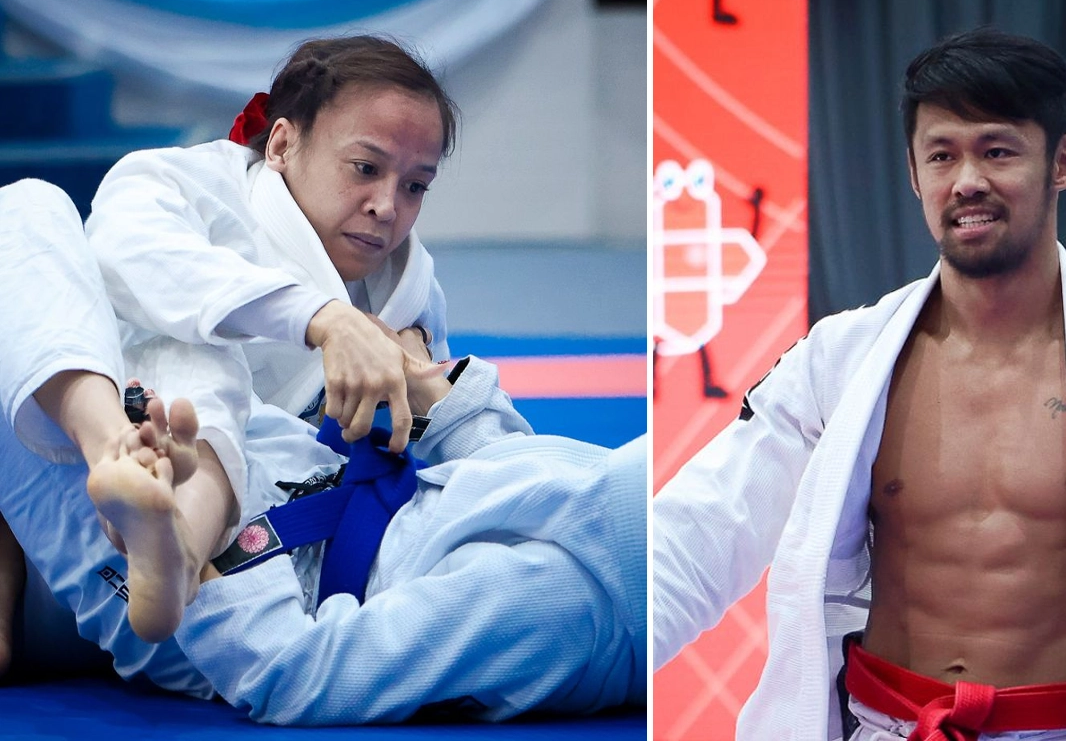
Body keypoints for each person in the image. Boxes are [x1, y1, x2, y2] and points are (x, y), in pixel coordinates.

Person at [653, 28, 1066, 741]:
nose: (967, 181)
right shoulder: (840, 359)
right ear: (914, 173)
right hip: (891, 726)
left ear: (1063, 162)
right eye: (942, 155)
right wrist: (596, 656)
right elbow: (701, 532)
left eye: (997, 151)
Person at [0, 177, 646, 723]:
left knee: (24, 211)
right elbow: (500, 468)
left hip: (225, 575)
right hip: (272, 475)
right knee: (168, 333)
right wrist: (430, 382)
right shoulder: (614, 508)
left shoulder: (568, 610)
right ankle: (115, 453)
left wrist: (212, 569)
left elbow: (299, 671)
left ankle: (139, 491)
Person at [78, 35, 468, 643]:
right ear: (282, 144)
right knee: (199, 349)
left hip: (269, 562)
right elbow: (130, 254)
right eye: (366, 168)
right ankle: (178, 538)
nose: (387, 207)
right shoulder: (176, 181)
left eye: (415, 186)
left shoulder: (411, 294)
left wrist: (434, 391)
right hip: (111, 491)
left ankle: (179, 551)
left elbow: (443, 468)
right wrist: (322, 317)